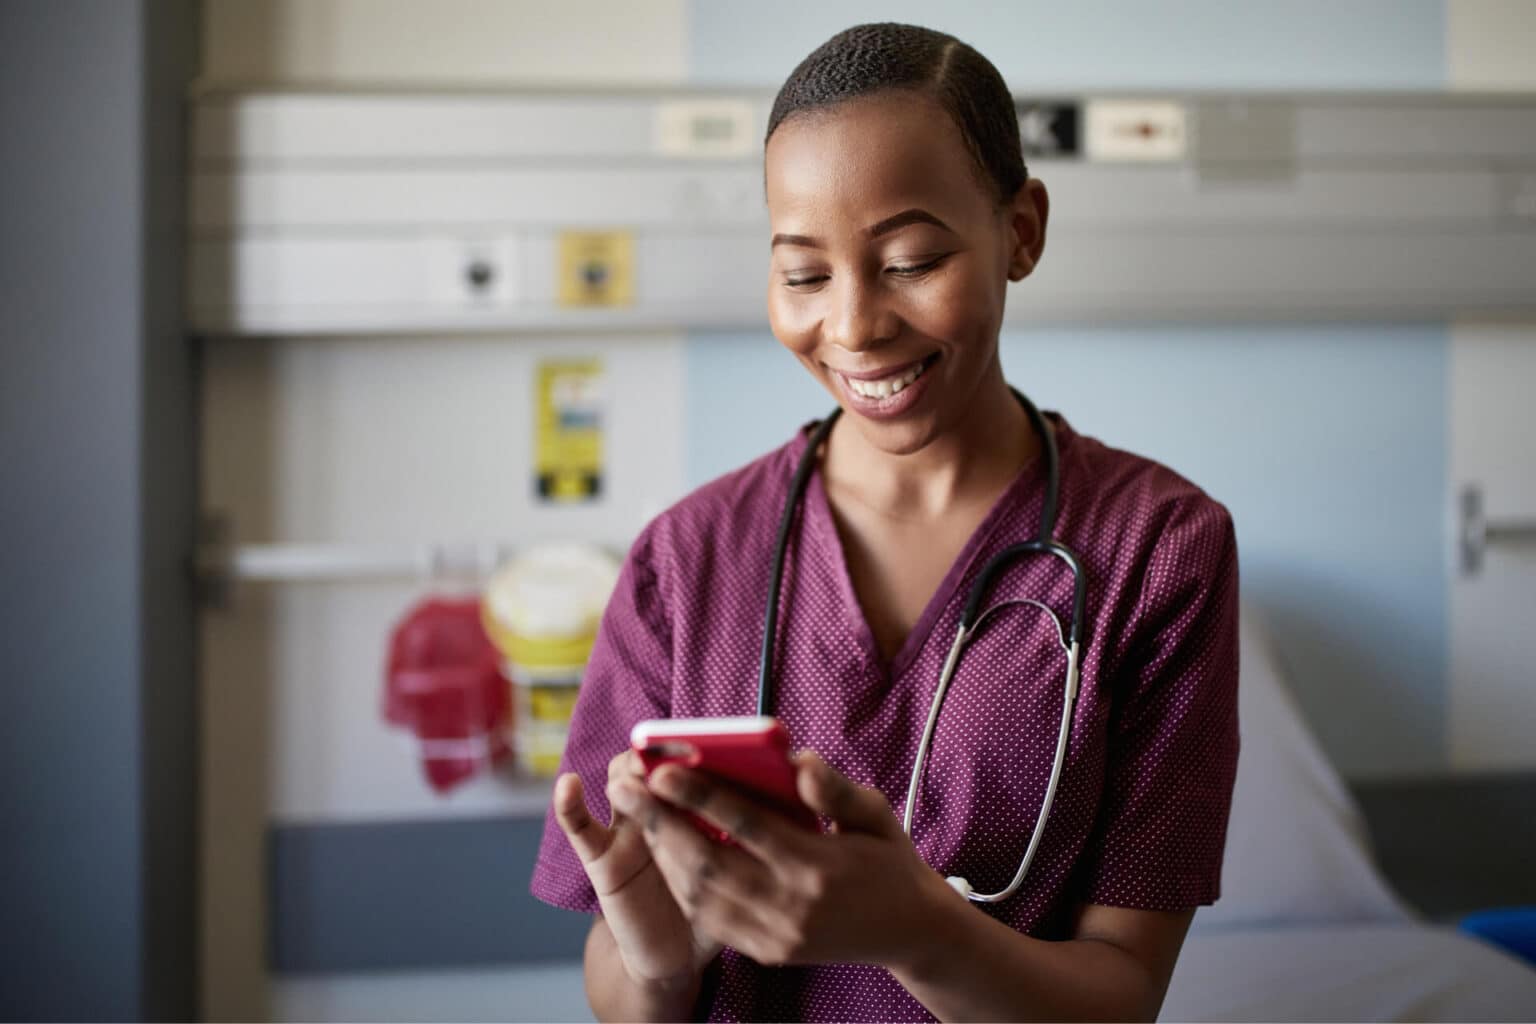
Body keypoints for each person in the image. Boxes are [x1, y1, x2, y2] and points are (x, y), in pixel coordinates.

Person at [530, 21, 1239, 1023]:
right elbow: (625, 989)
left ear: (1021, 232)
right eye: (805, 274)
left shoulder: (1159, 552)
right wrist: (657, 959)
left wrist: (918, 930)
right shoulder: (684, 563)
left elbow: (1121, 994)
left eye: (909, 260)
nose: (855, 325)